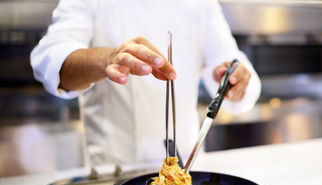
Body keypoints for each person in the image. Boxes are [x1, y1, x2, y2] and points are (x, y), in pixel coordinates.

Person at [30, 0, 261, 168]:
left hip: (188, 168)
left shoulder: (200, 5)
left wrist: (236, 80)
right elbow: (50, 58)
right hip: (114, 172)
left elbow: (229, 59)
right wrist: (108, 58)